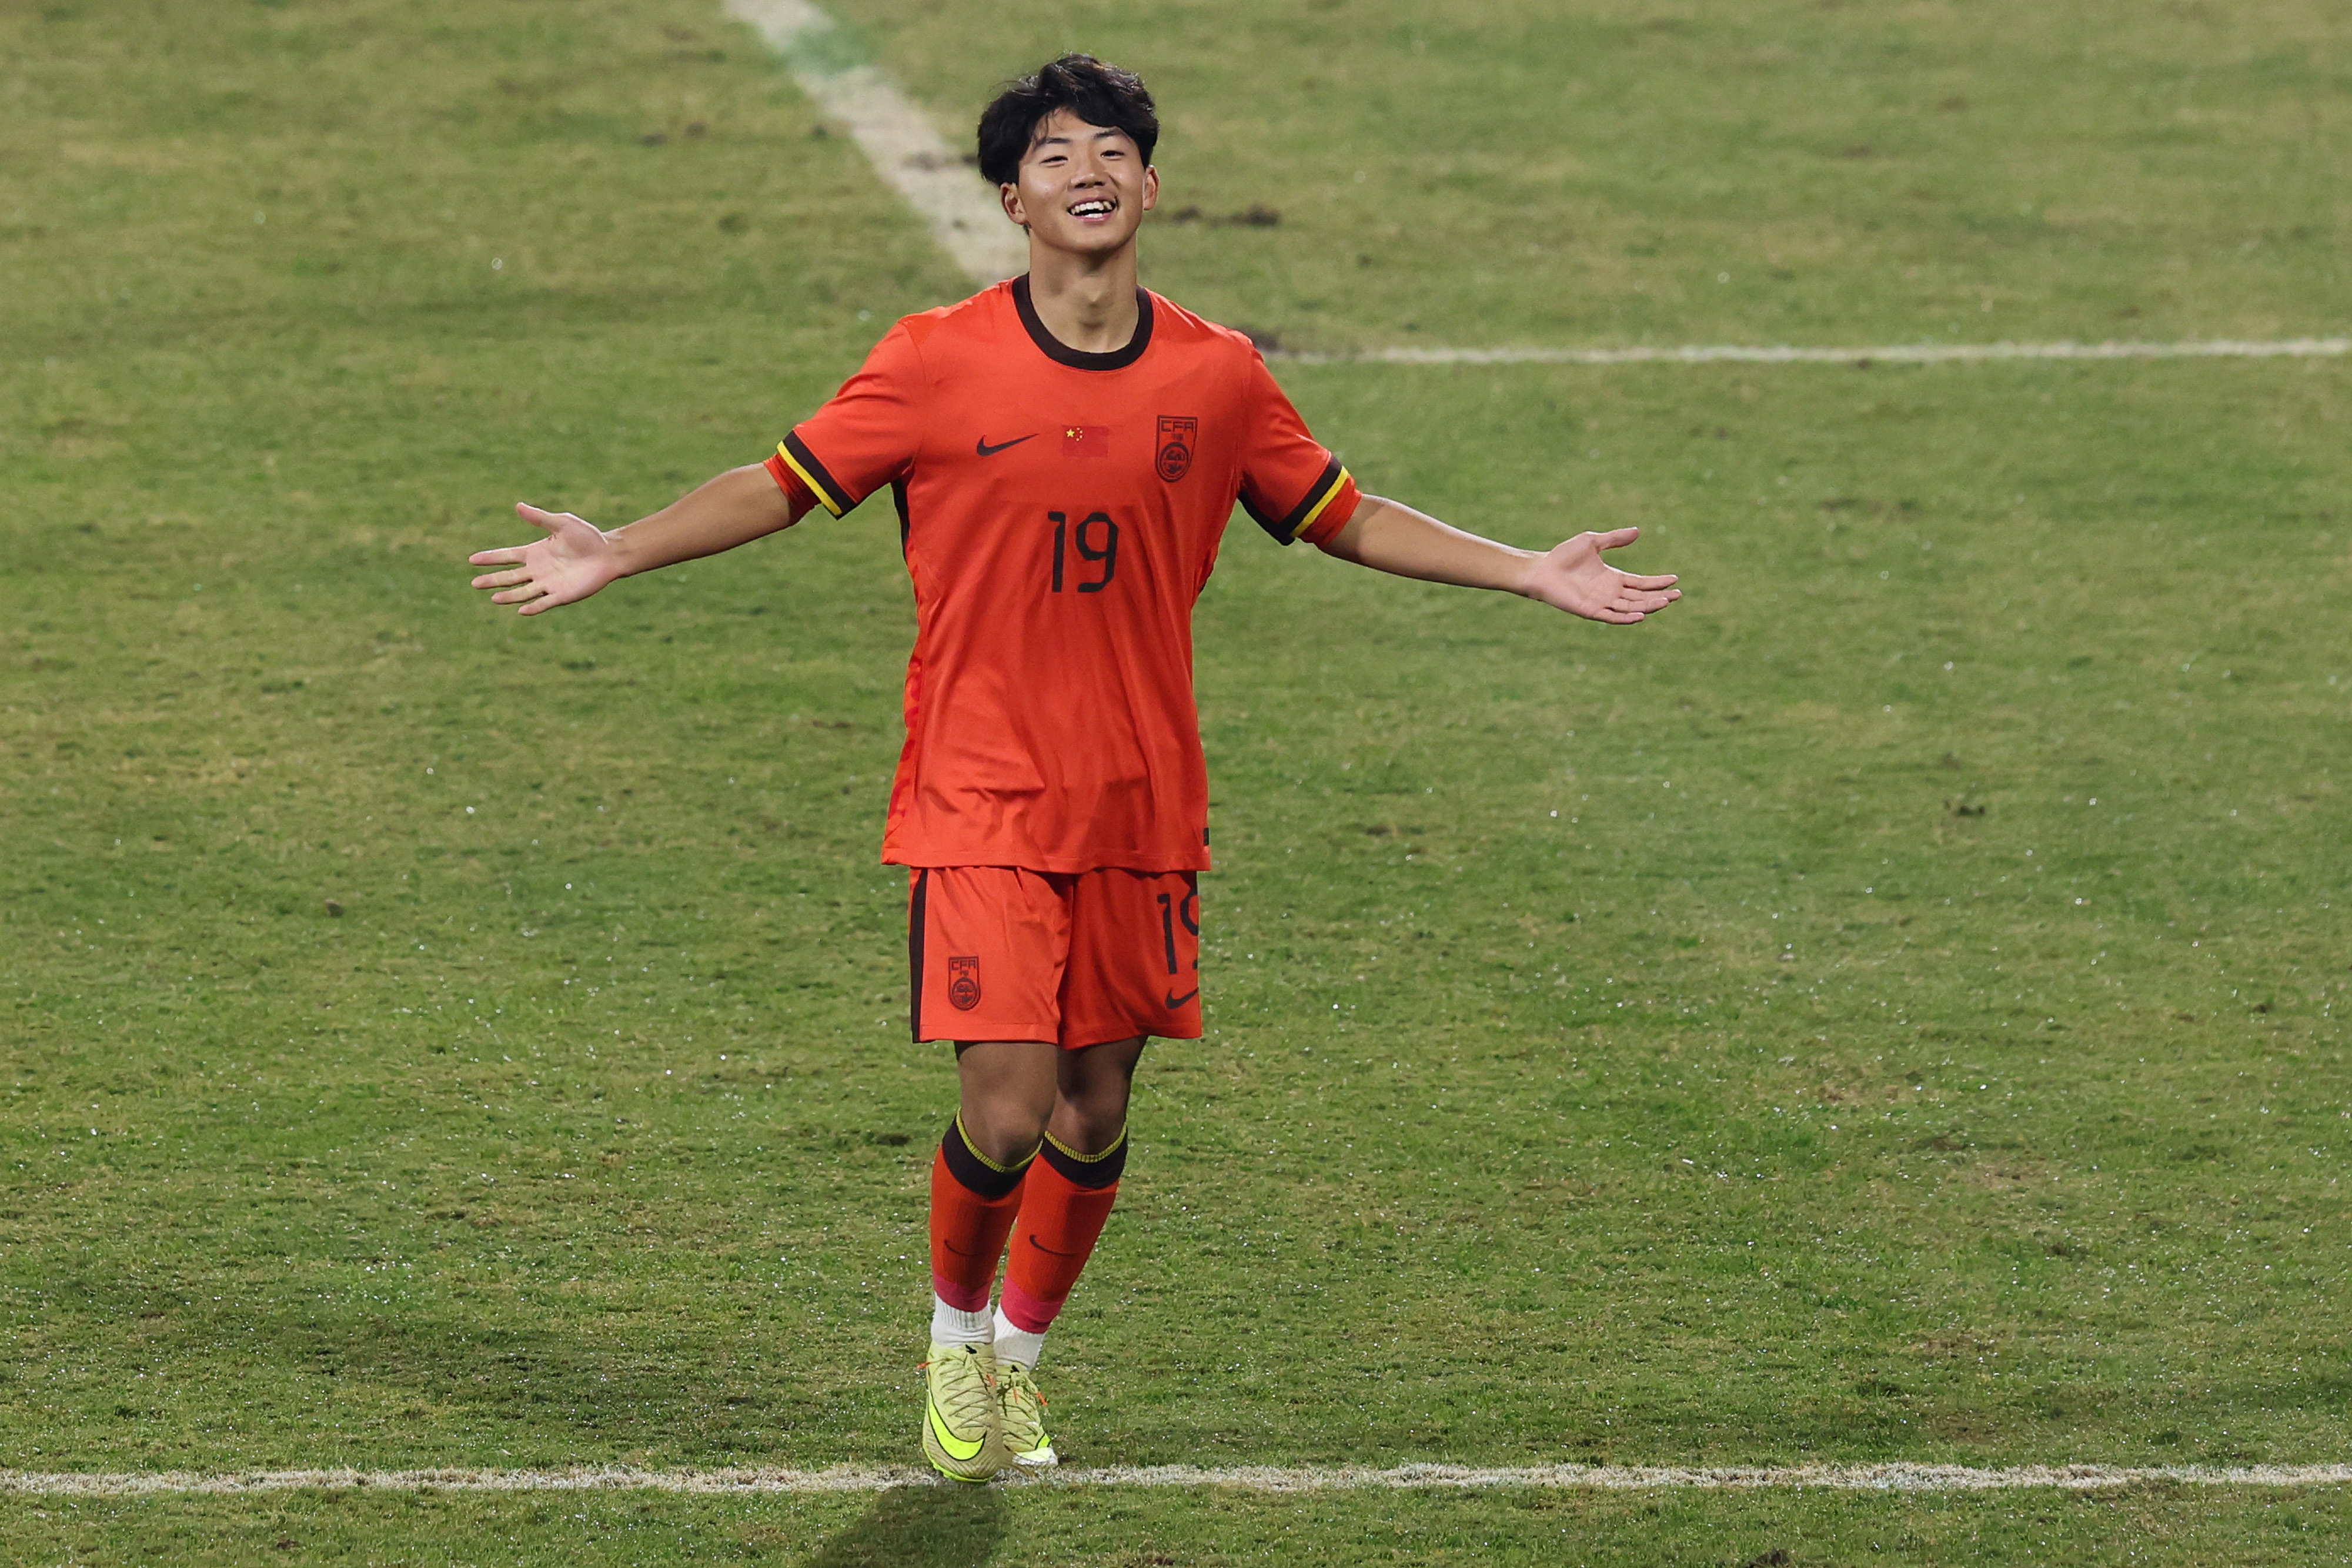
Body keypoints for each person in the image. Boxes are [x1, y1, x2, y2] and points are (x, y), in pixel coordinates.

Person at [467, 53, 1679, 1482]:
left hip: (1140, 800)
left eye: (1111, 149)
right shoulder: (932, 360)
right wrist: (624, 545)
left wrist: (1525, 569)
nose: (1087, 170)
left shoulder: (1216, 374)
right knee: (1008, 1103)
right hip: (977, 795)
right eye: (1054, 155)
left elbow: (1339, 511)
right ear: (1010, 198)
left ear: (1150, 186)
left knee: (1097, 1112)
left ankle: (1020, 1363)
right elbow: (780, 483)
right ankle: (951, 1337)